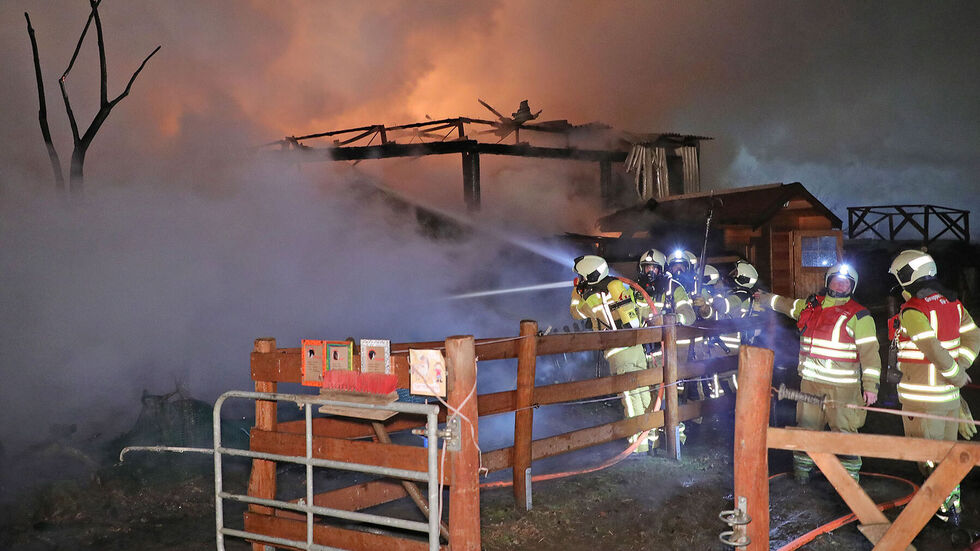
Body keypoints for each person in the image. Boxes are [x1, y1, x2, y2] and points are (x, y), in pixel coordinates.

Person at [757, 263, 879, 483]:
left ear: (852, 287)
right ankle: (802, 475)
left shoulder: (859, 315)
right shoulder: (811, 306)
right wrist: (764, 298)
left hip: (843, 389)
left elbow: (870, 354)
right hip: (810, 383)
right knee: (806, 427)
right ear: (828, 282)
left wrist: (871, 386)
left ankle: (848, 481)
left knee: (844, 431)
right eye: (836, 280)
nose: (840, 285)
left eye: (845, 282)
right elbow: (785, 304)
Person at [888, 249, 980, 524]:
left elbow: (932, 349)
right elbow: (974, 337)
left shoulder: (913, 310)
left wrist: (955, 375)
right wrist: (960, 368)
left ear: (905, 276)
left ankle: (943, 510)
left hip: (923, 401)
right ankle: (952, 508)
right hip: (949, 398)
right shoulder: (953, 303)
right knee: (947, 454)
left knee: (929, 457)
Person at [570, 255, 654, 453]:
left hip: (618, 351)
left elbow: (576, 312)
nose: (580, 279)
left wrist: (576, 291)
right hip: (637, 347)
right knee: (644, 394)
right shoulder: (617, 286)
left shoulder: (591, 297)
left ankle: (638, 447)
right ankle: (653, 439)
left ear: (590, 275)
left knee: (630, 397)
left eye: (581, 276)